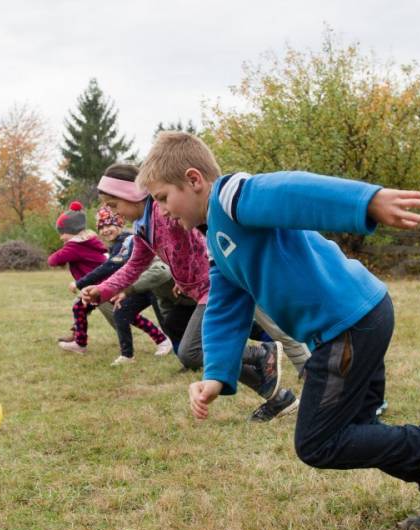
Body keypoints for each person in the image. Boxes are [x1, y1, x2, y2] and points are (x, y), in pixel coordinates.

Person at [135, 131, 420, 530]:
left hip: (348, 323)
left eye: (162, 198)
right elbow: (225, 304)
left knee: (318, 442)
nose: (161, 212)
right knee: (359, 430)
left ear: (194, 179)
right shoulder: (215, 235)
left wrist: (365, 201)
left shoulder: (232, 198)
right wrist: (215, 375)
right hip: (355, 318)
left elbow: (293, 191)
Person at [81, 163, 299, 423]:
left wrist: (215, 265)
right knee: (187, 340)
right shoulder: (143, 226)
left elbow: (202, 231)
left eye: (114, 205)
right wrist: (104, 289)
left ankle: (259, 354)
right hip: (196, 291)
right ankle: (278, 397)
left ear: (132, 194)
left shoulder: (165, 212)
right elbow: (135, 265)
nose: (113, 212)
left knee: (191, 352)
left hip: (215, 286)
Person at [74, 207, 172, 365]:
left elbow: (111, 266)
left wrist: (81, 282)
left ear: (119, 224)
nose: (105, 230)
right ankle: (127, 356)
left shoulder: (128, 240)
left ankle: (170, 343)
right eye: (102, 227)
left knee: (166, 321)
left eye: (109, 225)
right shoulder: (115, 244)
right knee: (121, 311)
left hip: (153, 283)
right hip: (138, 286)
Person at [47, 202, 108, 354]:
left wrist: (65, 249)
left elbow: (53, 260)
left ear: (71, 230)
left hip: (101, 285)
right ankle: (78, 339)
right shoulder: (88, 240)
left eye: (62, 233)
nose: (61, 237)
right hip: (100, 283)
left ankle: (161, 339)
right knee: (79, 307)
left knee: (127, 316)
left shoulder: (75, 246)